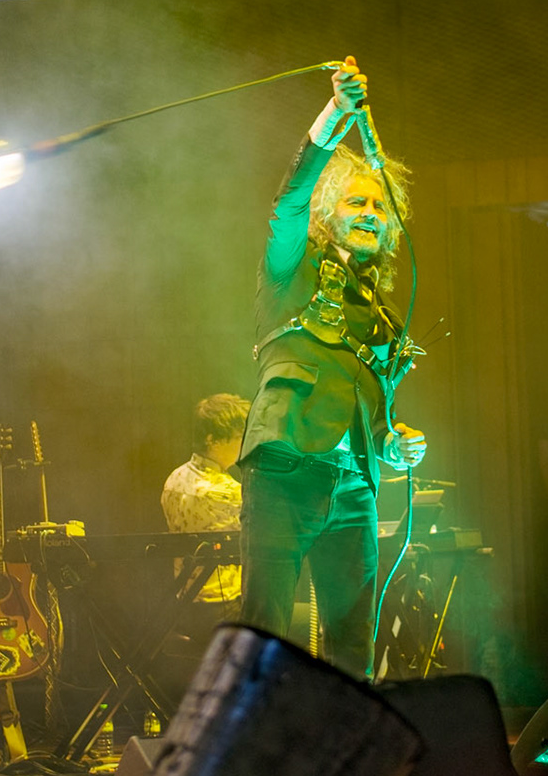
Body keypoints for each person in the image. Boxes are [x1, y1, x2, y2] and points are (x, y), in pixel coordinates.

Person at [236, 56, 427, 678]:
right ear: (327, 212)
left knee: (353, 644)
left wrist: (394, 443)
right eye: (356, 201)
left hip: (355, 487)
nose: (371, 211)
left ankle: (344, 737)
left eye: (380, 206)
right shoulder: (289, 272)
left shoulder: (381, 315)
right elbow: (287, 202)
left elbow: (375, 414)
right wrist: (334, 117)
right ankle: (256, 733)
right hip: (286, 469)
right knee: (266, 631)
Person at [161, 392, 250, 614]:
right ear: (212, 440)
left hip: (184, 604)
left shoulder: (174, 478)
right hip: (223, 607)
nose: (243, 444)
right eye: (238, 436)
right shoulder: (227, 492)